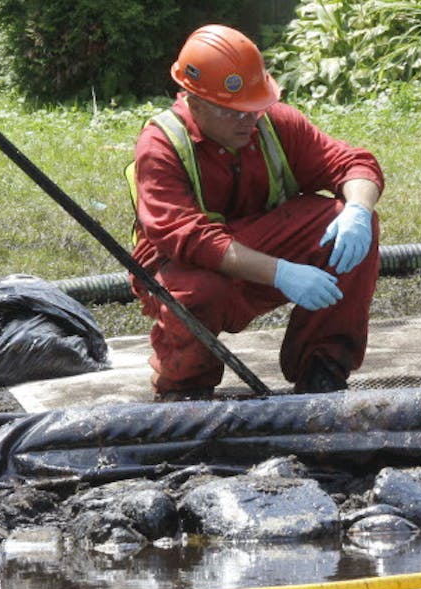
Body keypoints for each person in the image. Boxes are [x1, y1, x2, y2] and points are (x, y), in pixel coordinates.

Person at [129, 24, 383, 400]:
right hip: (181, 265)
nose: (248, 121)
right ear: (194, 102)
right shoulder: (160, 146)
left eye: (253, 108)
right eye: (232, 112)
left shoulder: (272, 124)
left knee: (345, 224)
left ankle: (322, 369)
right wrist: (281, 273)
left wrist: (359, 210)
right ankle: (185, 388)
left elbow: (352, 163)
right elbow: (192, 239)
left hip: (248, 245)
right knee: (199, 291)